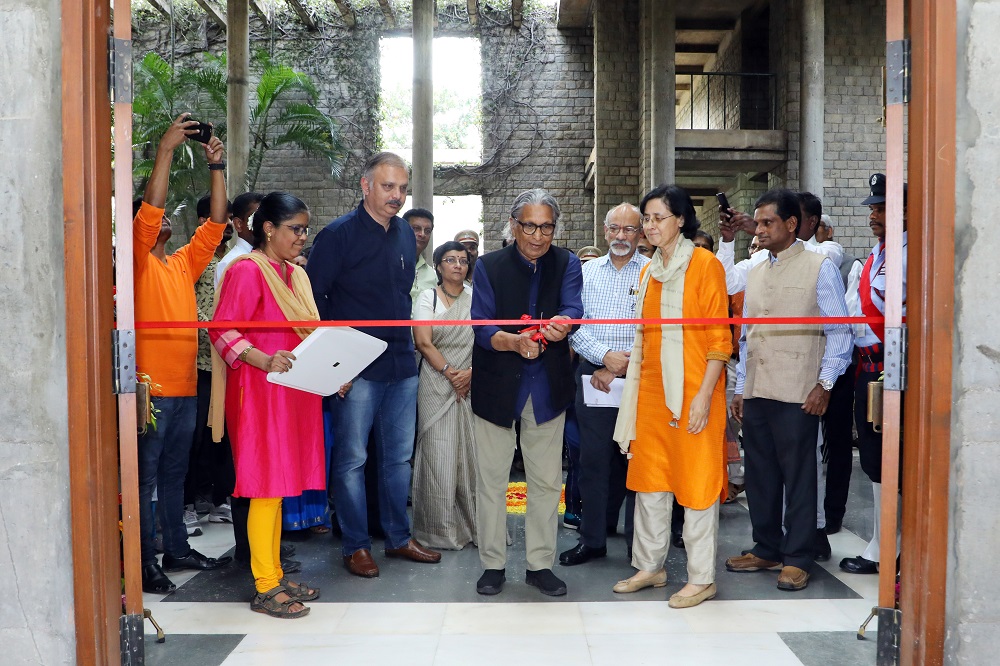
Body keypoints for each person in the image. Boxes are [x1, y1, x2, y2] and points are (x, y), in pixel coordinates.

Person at [307, 152, 441, 579]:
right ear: (366, 186)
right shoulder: (337, 235)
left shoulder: (405, 233)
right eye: (388, 187)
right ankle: (355, 545)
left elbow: (401, 297)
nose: (397, 196)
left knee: (400, 458)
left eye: (403, 188)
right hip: (355, 367)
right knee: (351, 460)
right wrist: (334, 366)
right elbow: (316, 304)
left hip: (401, 362)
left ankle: (398, 539)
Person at [609, 186, 731, 609]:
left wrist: (702, 397)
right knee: (650, 483)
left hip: (696, 393)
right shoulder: (648, 270)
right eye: (647, 218)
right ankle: (650, 566)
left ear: (681, 219)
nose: (650, 225)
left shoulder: (704, 264)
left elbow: (720, 340)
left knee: (696, 485)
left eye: (659, 217)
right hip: (651, 394)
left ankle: (702, 578)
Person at [725, 188, 852, 592]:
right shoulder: (757, 268)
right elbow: (747, 336)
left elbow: (840, 331)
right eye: (758, 223)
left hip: (800, 391)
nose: (758, 230)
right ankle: (767, 547)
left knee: (798, 477)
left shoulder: (820, 267)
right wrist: (742, 387)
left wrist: (825, 384)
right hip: (759, 389)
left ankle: (797, 557)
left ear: (791, 225)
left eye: (767, 223)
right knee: (760, 474)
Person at [210, 192, 324, 618]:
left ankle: (274, 574)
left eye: (305, 229)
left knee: (279, 488)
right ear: (268, 228)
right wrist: (262, 358)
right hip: (260, 391)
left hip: (294, 391)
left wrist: (334, 368)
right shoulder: (247, 271)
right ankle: (264, 586)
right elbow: (221, 331)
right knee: (265, 487)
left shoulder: (296, 276)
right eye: (295, 229)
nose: (302, 237)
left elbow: (309, 336)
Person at [134, 115, 232, 595]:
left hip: (186, 388)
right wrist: (167, 150)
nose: (164, 217)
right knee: (145, 481)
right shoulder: (134, 264)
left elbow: (215, 225)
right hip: (148, 393)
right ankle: (145, 560)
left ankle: (175, 548)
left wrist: (216, 166)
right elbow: (150, 210)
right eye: (154, 217)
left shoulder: (181, 265)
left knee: (175, 476)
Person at [470, 188, 583, 597]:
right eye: (530, 225)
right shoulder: (487, 266)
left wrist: (563, 323)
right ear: (514, 226)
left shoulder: (568, 262)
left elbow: (574, 307)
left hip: (547, 387)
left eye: (547, 226)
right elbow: (480, 326)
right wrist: (512, 342)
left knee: (547, 482)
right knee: (492, 481)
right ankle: (492, 564)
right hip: (497, 387)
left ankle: (539, 564)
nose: (538, 235)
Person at [559, 203, 649, 568]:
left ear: (641, 233)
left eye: (629, 230)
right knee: (592, 463)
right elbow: (574, 324)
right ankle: (593, 541)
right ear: (605, 229)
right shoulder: (585, 272)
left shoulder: (652, 272)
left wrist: (619, 366)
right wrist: (605, 357)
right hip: (592, 377)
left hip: (640, 379)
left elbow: (654, 330)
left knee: (636, 464)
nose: (621, 237)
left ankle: (637, 548)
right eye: (615, 229)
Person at [840, 173, 908, 574]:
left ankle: (889, 547)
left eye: (882, 208)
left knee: (891, 462)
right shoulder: (878, 253)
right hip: (868, 369)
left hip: (893, 368)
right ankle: (884, 542)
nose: (874, 214)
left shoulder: (908, 253)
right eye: (874, 207)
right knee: (873, 461)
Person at [412, 241, 477, 550]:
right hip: (437, 383)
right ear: (437, 265)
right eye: (450, 260)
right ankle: (437, 531)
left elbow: (488, 340)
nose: (457, 265)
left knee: (469, 455)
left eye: (462, 260)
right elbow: (423, 342)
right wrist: (452, 373)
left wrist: (470, 374)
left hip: (472, 383)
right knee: (438, 455)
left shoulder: (477, 299)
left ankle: (474, 528)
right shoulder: (428, 298)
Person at [187, 195, 234, 529]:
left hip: (228, 361)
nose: (227, 223)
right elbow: (191, 306)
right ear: (205, 220)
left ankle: (219, 500)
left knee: (223, 435)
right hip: (202, 361)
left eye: (230, 217)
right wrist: (215, 336)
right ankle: (189, 502)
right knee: (196, 437)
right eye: (220, 217)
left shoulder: (233, 259)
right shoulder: (192, 259)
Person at [216, 192, 264, 288]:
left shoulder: (271, 257)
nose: (264, 225)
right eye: (257, 219)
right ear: (238, 224)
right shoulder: (230, 262)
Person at [405, 208, 438, 316]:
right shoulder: (388, 265)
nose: (422, 234)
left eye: (427, 231)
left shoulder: (432, 275)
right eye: (416, 229)